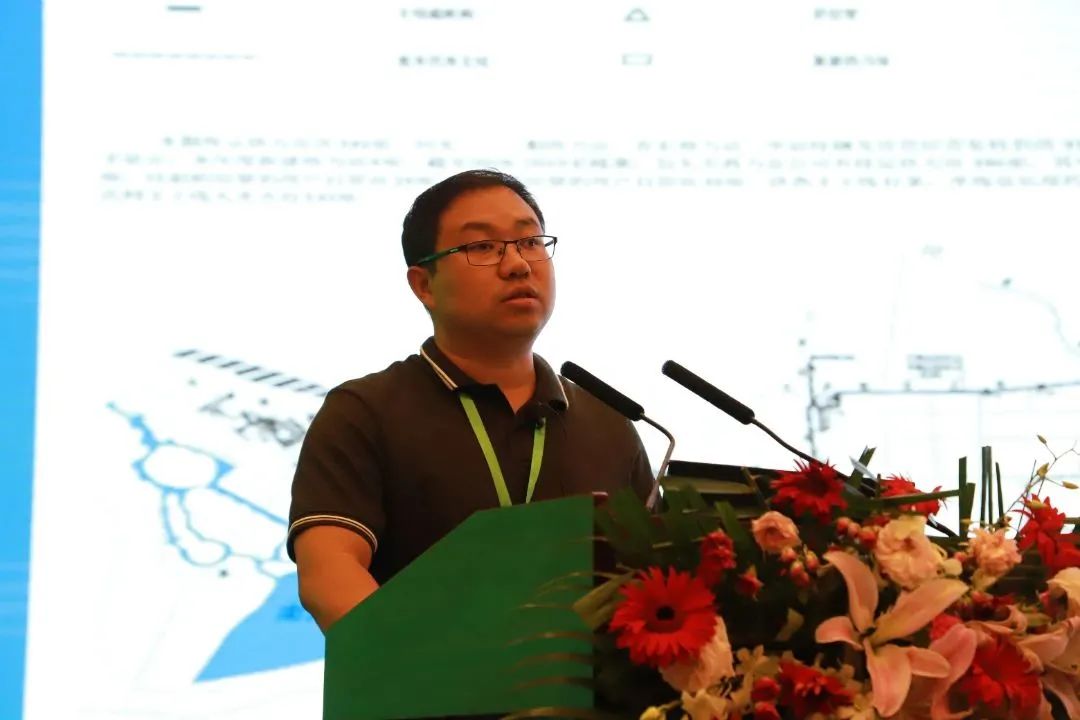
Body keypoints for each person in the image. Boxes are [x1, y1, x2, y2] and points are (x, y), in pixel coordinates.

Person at [287, 169, 654, 631]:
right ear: (424, 284)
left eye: (530, 242)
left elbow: (657, 581)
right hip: (424, 676)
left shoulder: (609, 423)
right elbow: (328, 576)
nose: (518, 264)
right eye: (482, 247)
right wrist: (424, 662)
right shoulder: (364, 412)